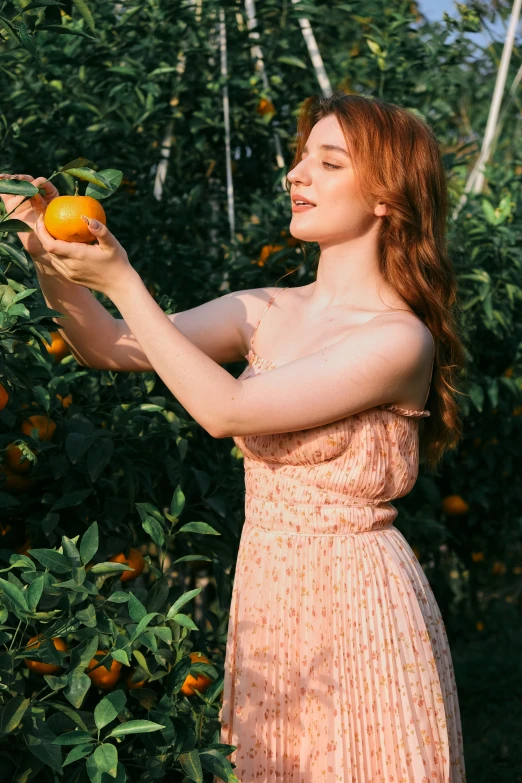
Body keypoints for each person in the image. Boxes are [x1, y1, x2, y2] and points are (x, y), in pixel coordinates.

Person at [0, 91, 467, 782]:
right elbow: (106, 343)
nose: (296, 174)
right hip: (272, 592)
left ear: (386, 198)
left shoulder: (399, 339)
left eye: (327, 162)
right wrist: (41, 246)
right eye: (301, 156)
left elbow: (228, 410)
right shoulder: (265, 309)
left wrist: (125, 279)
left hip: (358, 603)